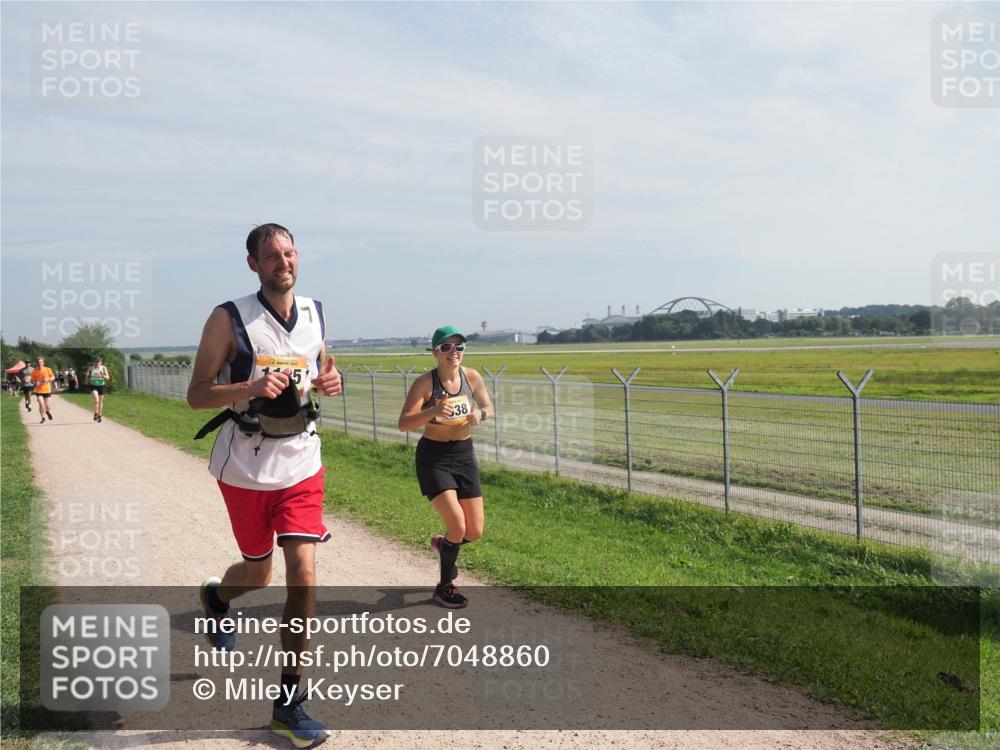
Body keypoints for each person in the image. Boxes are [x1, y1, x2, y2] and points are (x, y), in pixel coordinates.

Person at [187, 223, 341, 748]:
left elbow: (320, 369)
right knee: (258, 571)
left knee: (303, 578)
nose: (284, 261)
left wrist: (329, 381)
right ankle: (218, 597)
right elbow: (197, 395)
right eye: (272, 255)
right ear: (253, 264)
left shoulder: (316, 312)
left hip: (302, 462)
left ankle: (288, 704)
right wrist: (250, 386)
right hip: (247, 469)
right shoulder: (228, 318)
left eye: (290, 251)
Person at [397, 326, 493, 609]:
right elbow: (404, 423)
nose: (454, 353)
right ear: (436, 352)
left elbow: (489, 407)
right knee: (457, 524)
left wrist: (480, 413)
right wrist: (433, 411)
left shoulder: (471, 377)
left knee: (473, 531)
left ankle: (444, 545)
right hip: (434, 457)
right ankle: (444, 586)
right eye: (447, 348)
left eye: (459, 347)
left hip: (464, 454)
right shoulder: (425, 384)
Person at [31, 357, 55, 423]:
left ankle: (47, 411)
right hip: (39, 391)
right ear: (36, 363)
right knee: (41, 404)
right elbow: (32, 380)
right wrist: (35, 382)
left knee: (47, 406)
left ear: (43, 363)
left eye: (41, 362)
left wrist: (49, 379)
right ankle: (43, 418)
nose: (39, 363)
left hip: (47, 390)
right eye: (38, 362)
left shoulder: (47, 369)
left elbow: (53, 377)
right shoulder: (34, 371)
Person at [87, 357, 111, 422]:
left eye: (99, 361)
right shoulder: (91, 368)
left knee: (101, 401)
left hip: (101, 386)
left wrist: (103, 375)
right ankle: (96, 413)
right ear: (95, 362)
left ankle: (100, 415)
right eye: (96, 361)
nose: (97, 363)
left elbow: (108, 377)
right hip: (93, 385)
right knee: (97, 400)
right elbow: (87, 375)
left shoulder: (103, 368)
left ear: (101, 362)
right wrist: (87, 378)